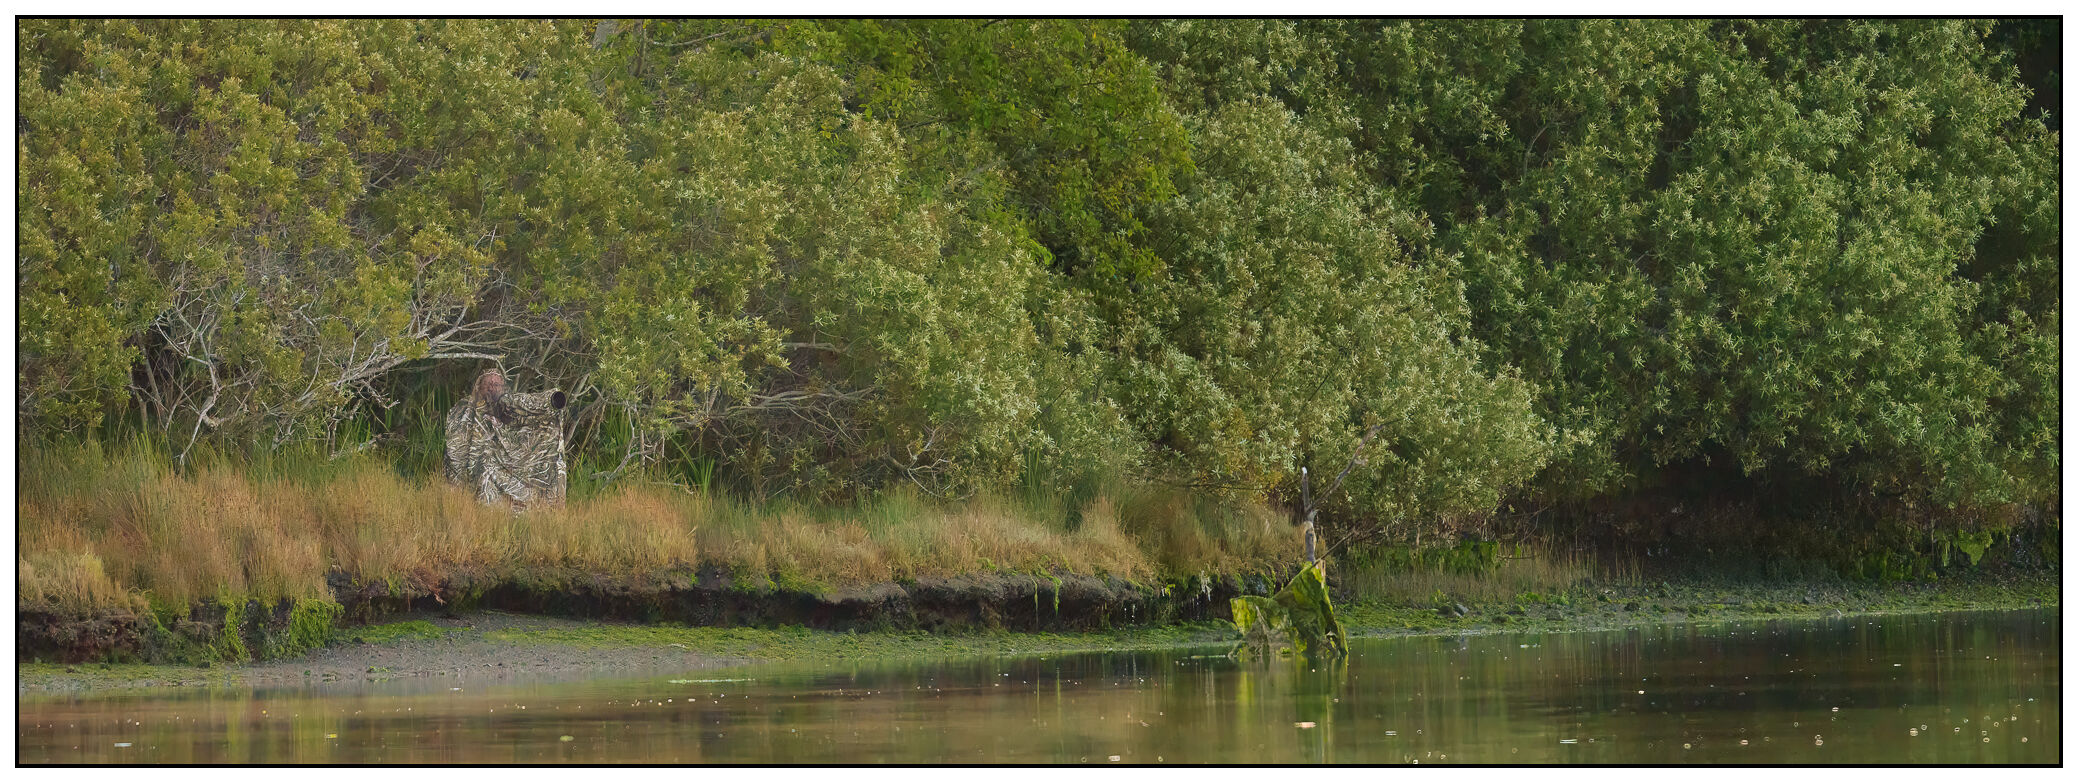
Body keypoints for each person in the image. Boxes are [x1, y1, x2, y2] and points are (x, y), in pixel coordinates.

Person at [444, 368, 568, 509]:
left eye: (497, 385)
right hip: (478, 465)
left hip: (507, 461)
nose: (492, 388)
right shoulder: (466, 408)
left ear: (503, 388)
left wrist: (550, 402)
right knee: (486, 469)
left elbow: (527, 406)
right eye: (488, 384)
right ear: (479, 387)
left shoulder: (507, 404)